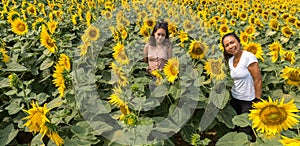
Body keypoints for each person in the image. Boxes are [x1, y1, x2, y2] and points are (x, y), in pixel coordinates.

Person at [221, 32, 262, 142]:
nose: (230, 46)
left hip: (248, 101)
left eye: (232, 42)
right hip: (235, 99)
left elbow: (257, 80)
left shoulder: (249, 57)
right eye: (227, 45)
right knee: (235, 127)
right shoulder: (230, 60)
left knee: (246, 132)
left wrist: (257, 100)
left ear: (238, 42)